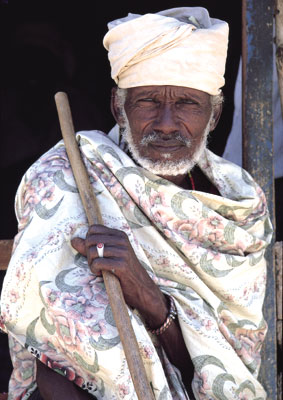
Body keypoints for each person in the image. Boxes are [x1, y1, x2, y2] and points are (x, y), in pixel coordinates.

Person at [0, 7, 272, 400]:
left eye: (187, 103)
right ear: (118, 107)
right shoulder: (69, 178)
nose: (165, 123)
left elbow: (230, 374)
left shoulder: (238, 207)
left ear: (214, 116)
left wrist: (151, 299)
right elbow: (56, 361)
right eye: (147, 102)